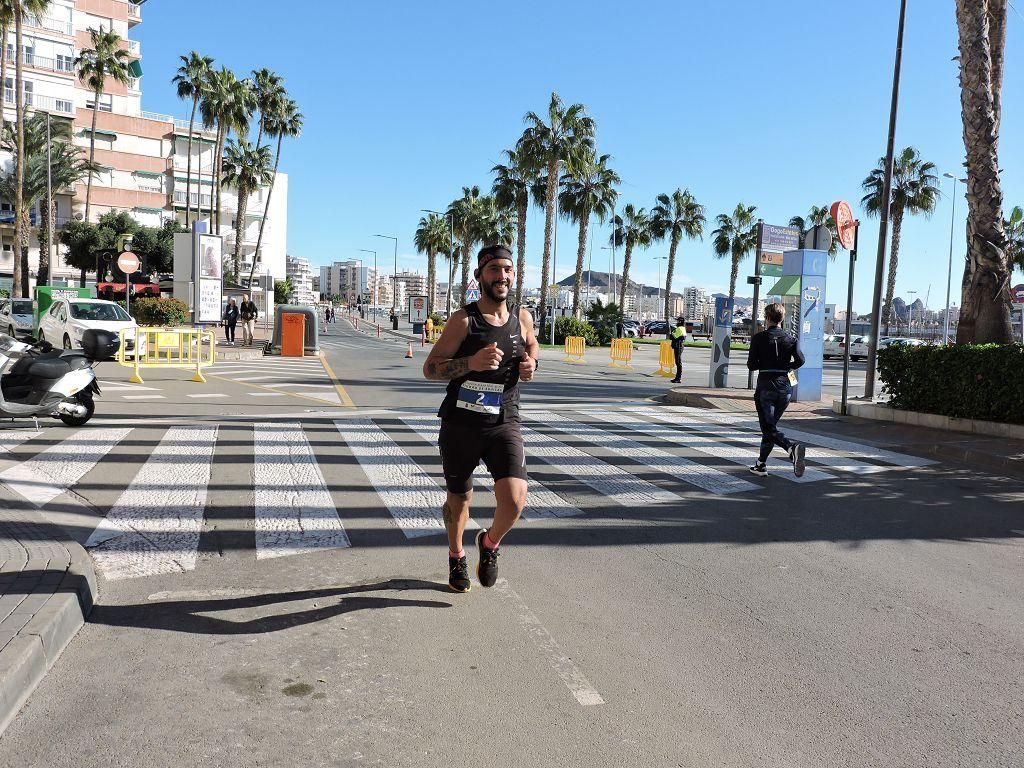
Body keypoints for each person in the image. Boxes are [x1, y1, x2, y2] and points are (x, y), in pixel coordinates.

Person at [423, 244, 539, 593]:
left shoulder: (522, 317)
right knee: (459, 499)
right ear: (479, 276)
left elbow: (532, 345)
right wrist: (470, 363)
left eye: (507, 269)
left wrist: (533, 363)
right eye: (493, 270)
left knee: (516, 498)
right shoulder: (464, 321)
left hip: (504, 418)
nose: (501, 276)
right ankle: (456, 555)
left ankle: (488, 545)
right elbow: (430, 368)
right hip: (461, 424)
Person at [746, 302, 806, 477]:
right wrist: (788, 366)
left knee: (768, 427)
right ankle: (760, 464)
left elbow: (751, 365)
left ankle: (790, 447)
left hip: (766, 385)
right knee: (770, 427)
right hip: (785, 388)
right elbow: (801, 361)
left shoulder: (759, 338)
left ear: (767, 318)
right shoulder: (791, 339)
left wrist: (764, 363)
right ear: (782, 318)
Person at [669, 315, 686, 383]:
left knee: (678, 362)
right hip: (679, 346)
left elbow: (672, 336)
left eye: (677, 321)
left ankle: (678, 378)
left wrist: (672, 331)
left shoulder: (679, 329)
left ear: (680, 322)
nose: (676, 322)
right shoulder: (682, 328)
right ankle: (678, 377)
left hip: (678, 346)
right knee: (678, 362)